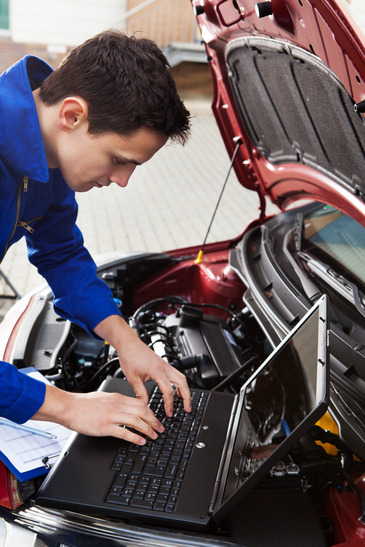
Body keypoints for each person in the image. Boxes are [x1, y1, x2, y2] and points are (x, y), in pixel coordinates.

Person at [0, 30, 192, 446]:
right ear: (72, 115)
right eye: (119, 160)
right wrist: (70, 407)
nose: (122, 181)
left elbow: (61, 253)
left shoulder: (46, 157)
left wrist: (126, 339)